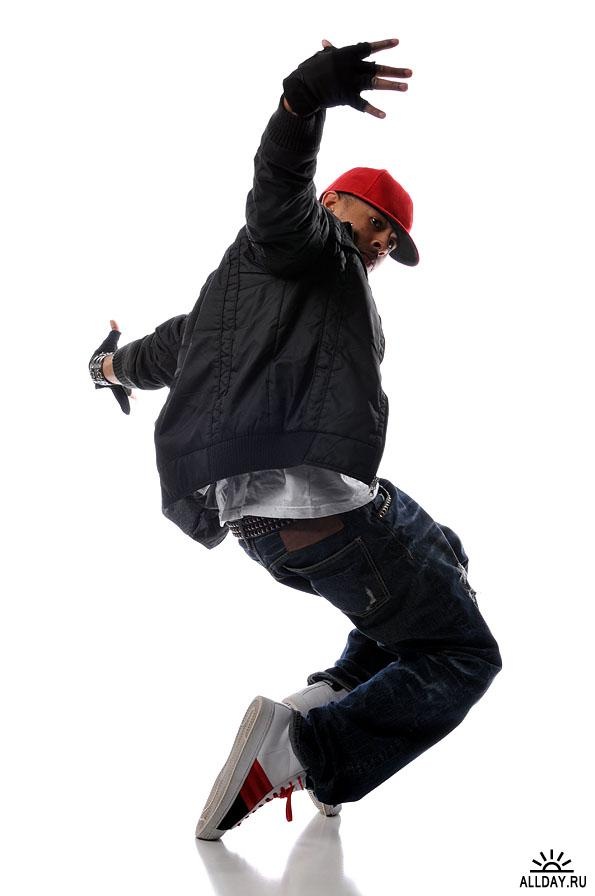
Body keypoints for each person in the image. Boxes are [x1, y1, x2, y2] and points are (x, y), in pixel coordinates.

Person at [89, 37, 502, 842]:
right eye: (376, 225)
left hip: (263, 526)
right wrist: (301, 100)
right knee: (462, 654)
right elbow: (278, 193)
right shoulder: (311, 244)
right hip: (318, 508)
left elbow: (153, 356)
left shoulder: (235, 301)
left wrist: (104, 367)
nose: (379, 245)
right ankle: (313, 748)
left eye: (390, 243)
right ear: (337, 206)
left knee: (443, 549)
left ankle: (333, 697)